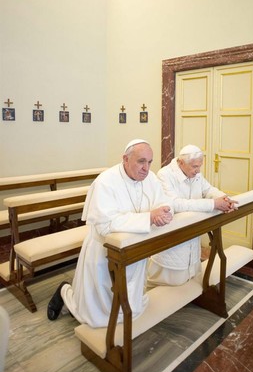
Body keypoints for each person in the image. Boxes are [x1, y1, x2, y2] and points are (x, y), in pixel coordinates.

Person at [47, 139, 173, 328]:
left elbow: (161, 200)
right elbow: (105, 225)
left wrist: (163, 211)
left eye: (149, 162)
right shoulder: (106, 182)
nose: (146, 168)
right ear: (125, 159)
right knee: (96, 309)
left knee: (130, 296)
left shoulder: (151, 178)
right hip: (104, 251)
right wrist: (149, 218)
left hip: (134, 248)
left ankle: (124, 313)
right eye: (141, 161)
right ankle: (64, 292)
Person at [147, 144, 238, 287]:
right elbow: (175, 204)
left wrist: (224, 198)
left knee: (191, 282)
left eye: (199, 166)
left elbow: (208, 189)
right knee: (166, 286)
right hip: (172, 233)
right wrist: (213, 204)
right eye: (195, 167)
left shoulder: (195, 173)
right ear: (181, 163)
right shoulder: (164, 174)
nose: (198, 171)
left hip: (192, 231)